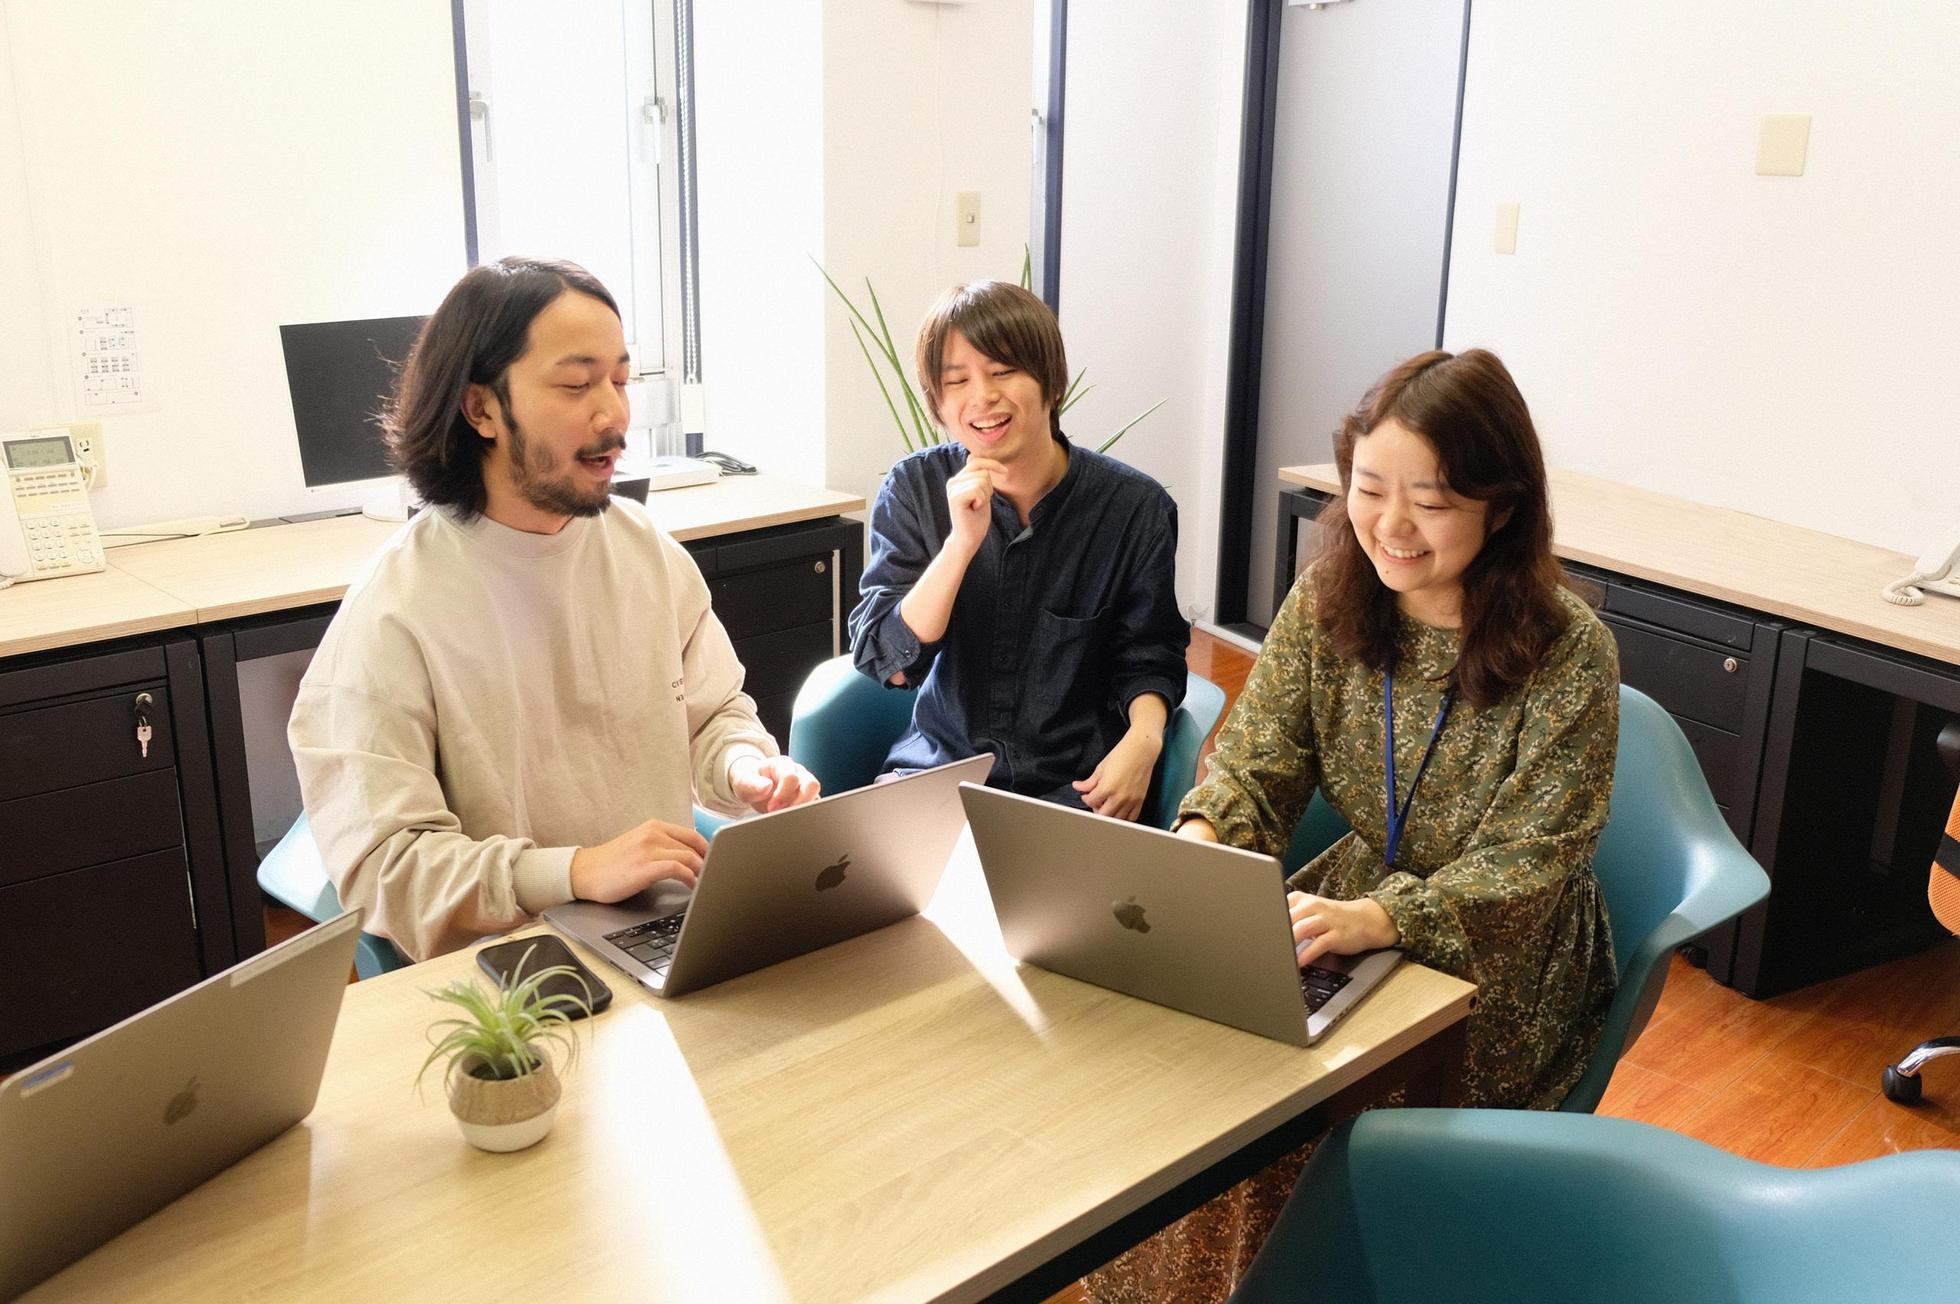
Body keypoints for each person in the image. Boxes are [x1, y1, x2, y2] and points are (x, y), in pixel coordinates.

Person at [1091, 347, 1620, 1300]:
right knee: (1178, 1062)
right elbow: (1258, 761)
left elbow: (1534, 859)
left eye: (1431, 501)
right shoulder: (1330, 597)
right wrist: (1202, 849)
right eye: (1369, 489)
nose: (1391, 525)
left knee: (1289, 1128)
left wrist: (1387, 918)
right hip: (1354, 907)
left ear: (1500, 506)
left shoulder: (1569, 650)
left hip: (1501, 954)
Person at [289, 256, 818, 961]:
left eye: (621, 381)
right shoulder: (397, 610)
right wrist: (573, 872)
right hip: (510, 968)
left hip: (661, 930)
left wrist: (745, 767)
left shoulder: (644, 551)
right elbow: (387, 869)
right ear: (481, 409)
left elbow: (713, 714)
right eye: (576, 385)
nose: (614, 414)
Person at [848, 281, 1189, 820]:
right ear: (939, 403)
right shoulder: (914, 489)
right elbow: (885, 659)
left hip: (1078, 788)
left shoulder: (1134, 508)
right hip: (940, 775)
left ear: (1051, 382)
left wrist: (1144, 742)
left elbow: (1149, 654)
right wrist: (960, 545)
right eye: (956, 381)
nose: (982, 396)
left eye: (1003, 371)